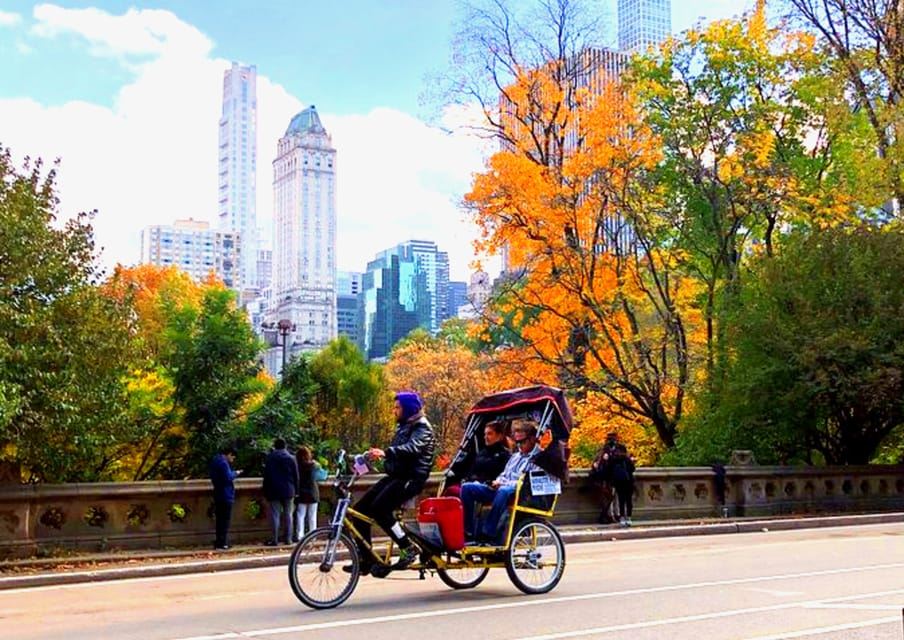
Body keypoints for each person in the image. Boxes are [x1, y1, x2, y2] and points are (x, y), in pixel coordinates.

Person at [350, 391, 435, 573]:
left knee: (380, 510)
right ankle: (366, 559)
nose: (394, 411)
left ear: (408, 409)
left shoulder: (422, 427)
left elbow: (413, 447)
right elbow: (397, 454)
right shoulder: (404, 427)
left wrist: (386, 452)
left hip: (411, 478)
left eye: (397, 407)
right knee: (359, 511)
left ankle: (407, 547)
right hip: (396, 476)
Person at [459, 421, 542, 544]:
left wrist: (504, 484)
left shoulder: (538, 458)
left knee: (504, 490)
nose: (519, 445)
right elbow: (504, 474)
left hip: (520, 493)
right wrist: (497, 481)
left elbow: (528, 482)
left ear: (532, 440)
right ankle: (468, 531)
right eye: (517, 442)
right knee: (467, 488)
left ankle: (488, 532)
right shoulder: (515, 456)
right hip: (502, 488)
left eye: (522, 442)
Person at [444, 420, 511, 498]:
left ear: (499, 436)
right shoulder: (482, 452)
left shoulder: (504, 455)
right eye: (485, 434)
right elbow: (472, 470)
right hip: (472, 482)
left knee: (463, 489)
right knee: (451, 488)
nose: (486, 437)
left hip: (488, 486)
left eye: (489, 434)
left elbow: (499, 474)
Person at [262, 437, 299, 545]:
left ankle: (275, 539)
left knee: (275, 514)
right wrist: (296, 490)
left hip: (273, 489)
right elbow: (296, 476)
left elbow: (266, 475)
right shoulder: (291, 458)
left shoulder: (270, 458)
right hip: (288, 489)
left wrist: (265, 490)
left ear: (275, 446)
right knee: (288, 514)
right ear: (285, 446)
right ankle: (288, 539)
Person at [209, 445, 238, 550]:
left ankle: (219, 541)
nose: (232, 460)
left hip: (218, 492)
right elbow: (228, 477)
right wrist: (236, 473)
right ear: (229, 454)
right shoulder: (223, 463)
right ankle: (223, 542)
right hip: (226, 494)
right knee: (225, 520)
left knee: (220, 519)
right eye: (232, 457)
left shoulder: (215, 460)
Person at [294, 446, 323, 541]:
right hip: (313, 492)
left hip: (301, 492)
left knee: (300, 515)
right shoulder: (313, 465)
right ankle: (313, 535)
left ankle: (300, 535)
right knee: (312, 516)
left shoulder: (297, 465)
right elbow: (321, 473)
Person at [590, 432, 620, 524]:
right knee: (609, 498)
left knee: (613, 498)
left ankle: (614, 515)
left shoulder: (615, 451)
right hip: (606, 479)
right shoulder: (603, 451)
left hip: (612, 478)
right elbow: (596, 464)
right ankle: (610, 515)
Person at [610, 443, 636, 526]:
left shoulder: (614, 460)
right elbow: (632, 469)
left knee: (621, 501)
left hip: (619, 483)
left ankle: (621, 518)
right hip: (628, 482)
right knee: (629, 501)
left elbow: (610, 471)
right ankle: (629, 517)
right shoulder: (627, 459)